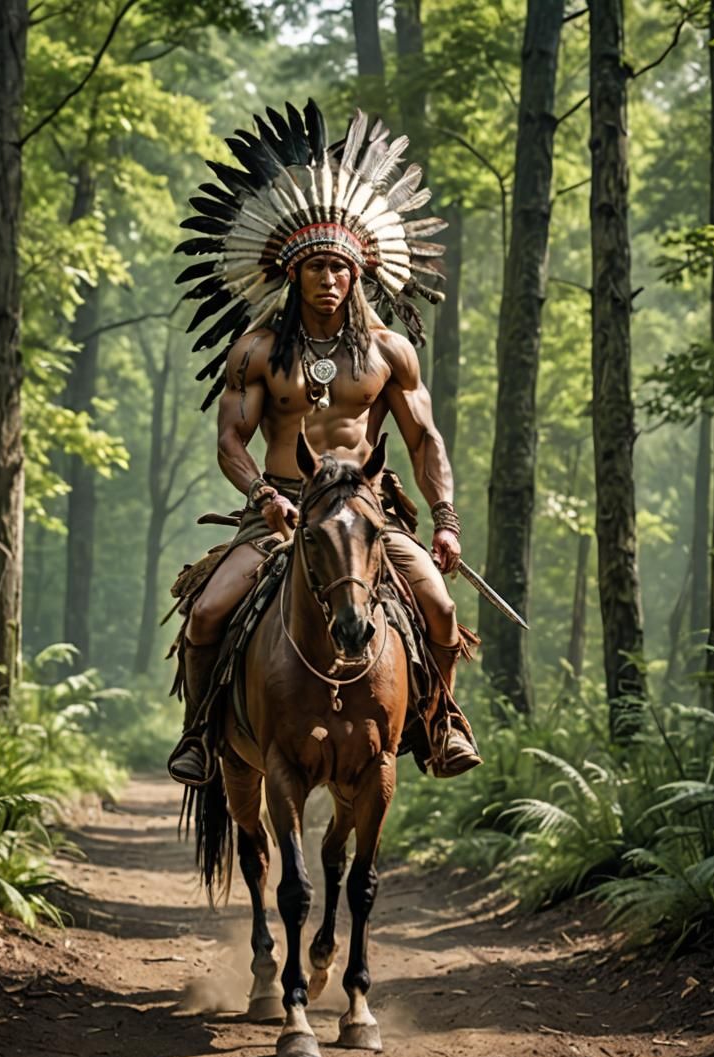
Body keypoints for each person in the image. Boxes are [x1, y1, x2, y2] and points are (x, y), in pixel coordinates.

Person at [166, 100, 481, 786]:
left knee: (442, 609)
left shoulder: (390, 354)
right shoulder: (256, 352)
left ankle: (443, 722)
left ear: (358, 274)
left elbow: (425, 440)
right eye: (316, 269)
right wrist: (259, 496)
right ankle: (198, 735)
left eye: (341, 269)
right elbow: (230, 439)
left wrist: (446, 520)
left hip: (366, 514)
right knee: (208, 614)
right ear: (291, 274)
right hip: (279, 510)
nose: (330, 280)